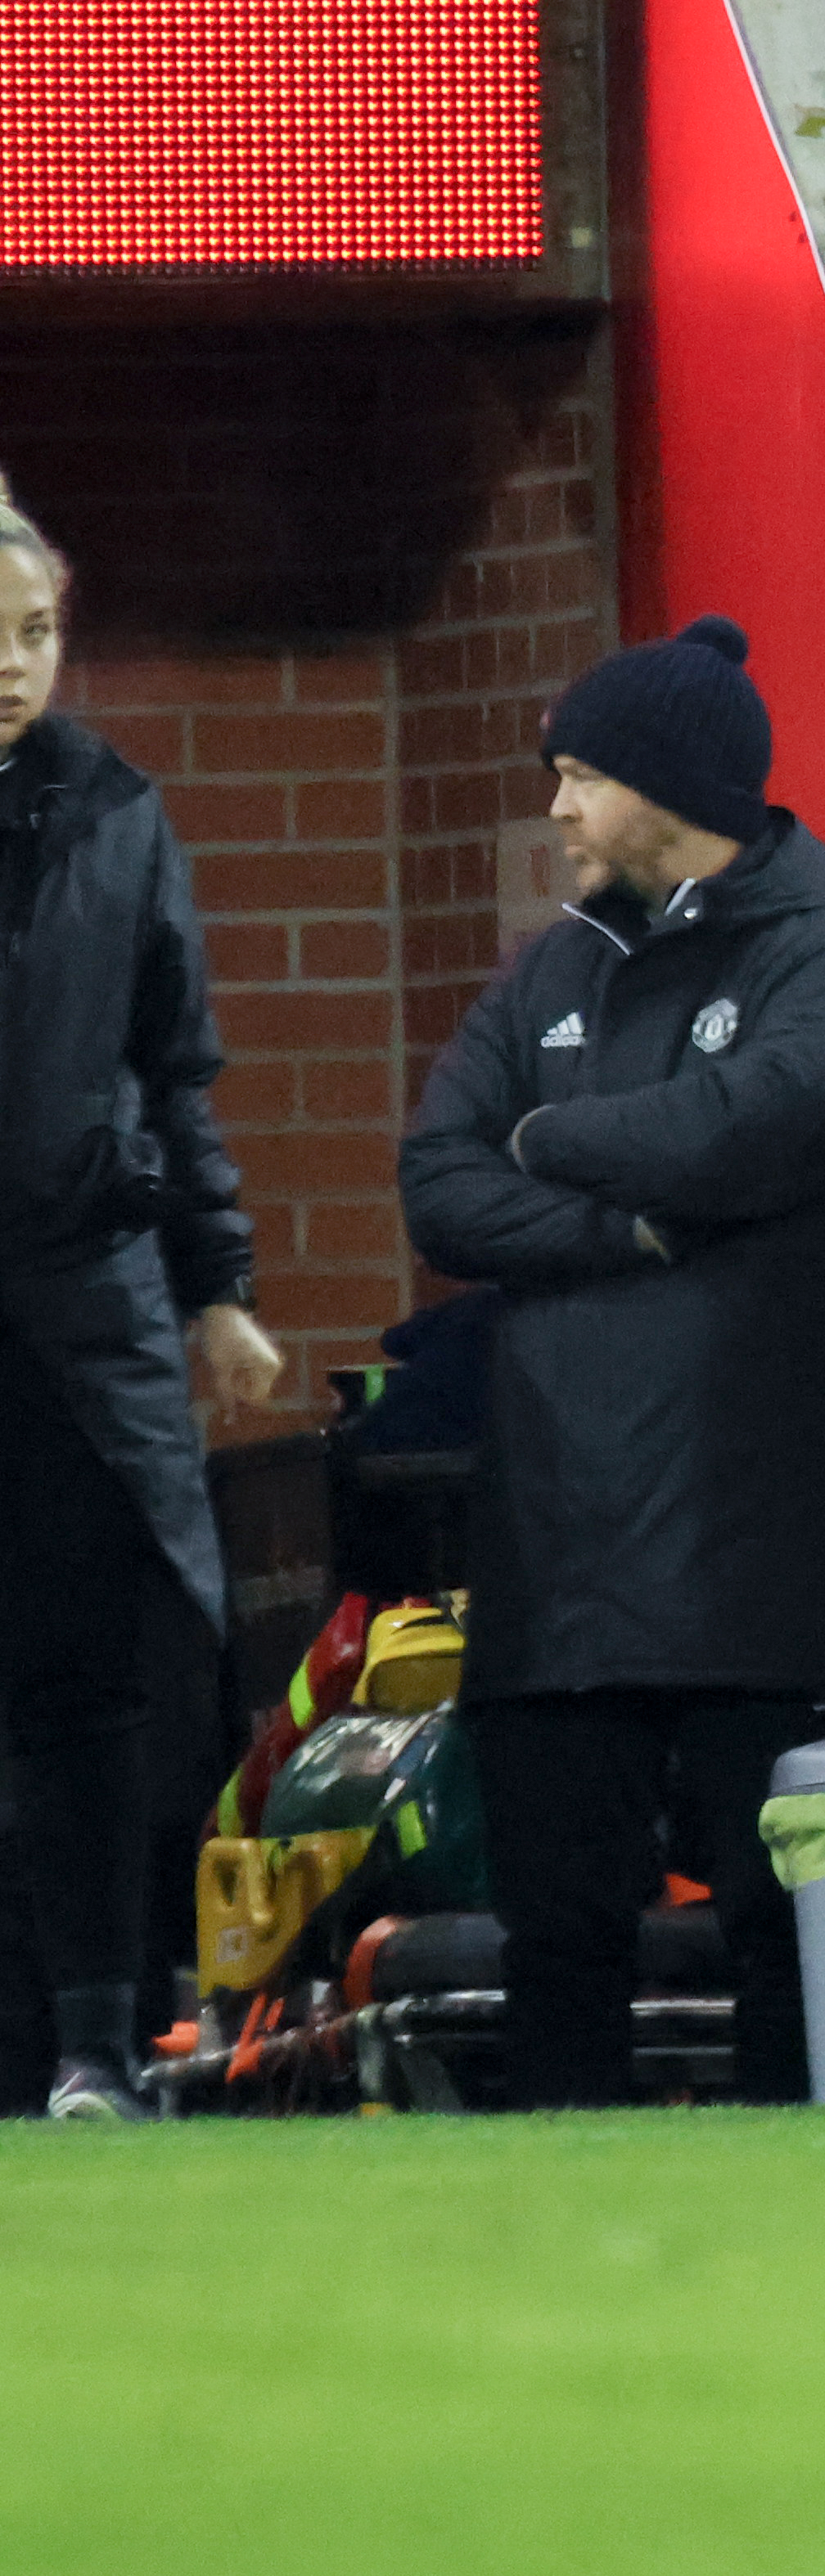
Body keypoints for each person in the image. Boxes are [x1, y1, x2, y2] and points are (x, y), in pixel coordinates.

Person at [398, 619, 825, 2109]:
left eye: (577, 777)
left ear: (666, 792)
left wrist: (548, 1142)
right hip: (562, 1542)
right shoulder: (551, 971)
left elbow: (755, 1123)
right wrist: (637, 1227)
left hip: (763, 1534)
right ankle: (556, 2228)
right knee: (559, 1929)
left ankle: (805, 2234)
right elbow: (438, 1179)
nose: (554, 809)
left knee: (777, 1927)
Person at [0, 477, 280, 2120]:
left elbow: (176, 1081)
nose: (16, 662)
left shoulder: (119, 812)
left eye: (36, 630)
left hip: (84, 1323)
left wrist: (219, 1289)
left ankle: (99, 2044)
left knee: (99, 1699)